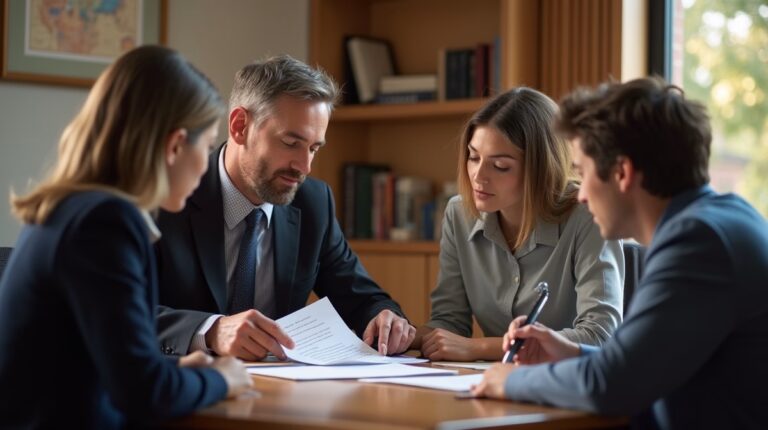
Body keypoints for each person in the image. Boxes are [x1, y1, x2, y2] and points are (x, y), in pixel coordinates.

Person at [471, 77, 768, 429]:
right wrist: (573, 352)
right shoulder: (721, 220)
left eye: (583, 173)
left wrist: (508, 380)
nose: (580, 195)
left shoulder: (697, 243)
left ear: (622, 172)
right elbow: (646, 365)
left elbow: (612, 385)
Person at [0, 46, 253, 428]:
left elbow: (105, 359)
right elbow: (144, 393)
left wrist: (176, 370)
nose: (206, 166)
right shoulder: (106, 223)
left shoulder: (70, 209)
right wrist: (220, 378)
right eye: (206, 145)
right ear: (174, 145)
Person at [155, 55, 415, 361]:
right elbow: (117, 310)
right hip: (179, 384)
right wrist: (210, 330)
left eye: (314, 148)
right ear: (240, 126)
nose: (304, 167)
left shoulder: (313, 202)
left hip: (278, 392)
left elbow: (360, 297)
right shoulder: (168, 192)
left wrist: (384, 317)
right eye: (291, 143)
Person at [414, 87, 624, 362]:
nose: (478, 176)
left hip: (571, 385)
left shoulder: (587, 214)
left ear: (540, 169)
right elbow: (450, 323)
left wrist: (480, 347)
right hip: (491, 384)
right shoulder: (458, 213)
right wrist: (407, 333)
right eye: (474, 157)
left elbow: (600, 336)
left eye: (500, 166)